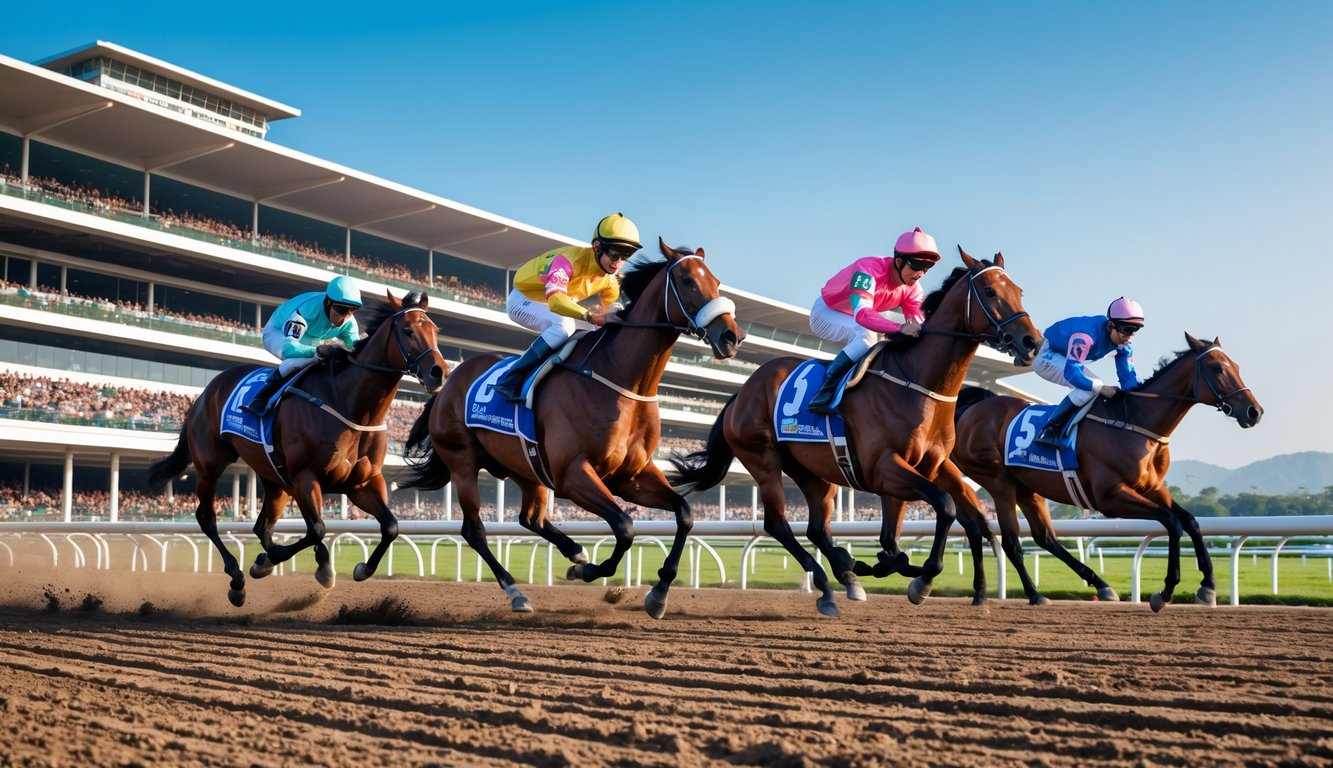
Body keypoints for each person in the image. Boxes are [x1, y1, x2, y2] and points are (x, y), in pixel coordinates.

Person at [494, 213, 640, 403]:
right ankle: (510, 379)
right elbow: (555, 302)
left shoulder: (611, 281)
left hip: (554, 302)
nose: (618, 263)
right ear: (597, 247)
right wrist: (591, 316)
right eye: (614, 255)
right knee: (563, 327)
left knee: (583, 333)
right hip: (523, 299)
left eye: (625, 257)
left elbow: (604, 319)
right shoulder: (567, 260)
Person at [805, 227, 940, 415]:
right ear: (899, 261)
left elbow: (918, 327)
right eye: (916, 266)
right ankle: (825, 391)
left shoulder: (913, 289)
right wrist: (899, 327)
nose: (920, 274)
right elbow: (862, 314)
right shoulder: (868, 269)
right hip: (827, 312)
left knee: (883, 345)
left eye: (927, 269)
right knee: (866, 339)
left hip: (857, 319)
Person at [1030, 297, 1146, 449]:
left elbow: (1128, 380)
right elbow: (1072, 374)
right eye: (1127, 329)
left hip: (1065, 357)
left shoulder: (1125, 346)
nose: (1131, 336)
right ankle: (1049, 430)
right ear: (1111, 325)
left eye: (1136, 329)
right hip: (1046, 354)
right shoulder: (1085, 336)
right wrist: (1103, 389)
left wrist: (1138, 402)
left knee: (1095, 387)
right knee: (1094, 386)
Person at [240, 276, 363, 416]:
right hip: (278, 332)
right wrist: (317, 351)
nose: (346, 317)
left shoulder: (350, 323)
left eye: (352, 310)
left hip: (312, 339)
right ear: (328, 303)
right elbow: (289, 349)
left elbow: (356, 352)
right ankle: (259, 401)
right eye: (341, 310)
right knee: (295, 362)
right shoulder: (306, 311)